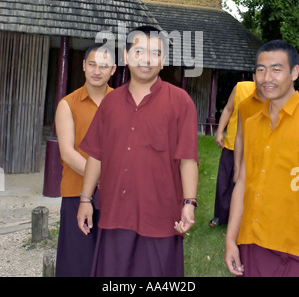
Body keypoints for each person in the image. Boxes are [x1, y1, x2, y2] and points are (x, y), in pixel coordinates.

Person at [77, 25, 199, 277]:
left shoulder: (180, 102)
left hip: (160, 215)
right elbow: (96, 155)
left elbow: (188, 159)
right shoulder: (110, 103)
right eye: (140, 51)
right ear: (125, 57)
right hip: (115, 213)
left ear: (163, 61)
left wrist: (189, 203)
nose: (147, 60)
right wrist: (85, 199)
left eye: (155, 53)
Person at [225, 40, 299, 277]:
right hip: (253, 242)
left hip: (293, 246)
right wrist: (230, 240)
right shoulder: (251, 123)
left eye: (277, 70)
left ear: (294, 72)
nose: (267, 77)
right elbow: (243, 184)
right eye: (260, 70)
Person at [55, 43, 116, 277]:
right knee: (77, 262)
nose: (97, 71)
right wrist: (103, 179)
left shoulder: (124, 103)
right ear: (83, 66)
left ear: (113, 69)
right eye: (92, 64)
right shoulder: (67, 104)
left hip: (116, 195)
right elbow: (68, 154)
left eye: (103, 66)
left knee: (112, 261)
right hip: (76, 192)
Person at [209, 81, 255, 227]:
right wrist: (219, 132)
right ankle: (220, 217)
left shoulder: (274, 91)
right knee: (225, 181)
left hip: (255, 146)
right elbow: (228, 109)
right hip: (232, 142)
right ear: (254, 75)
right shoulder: (241, 87)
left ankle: (245, 220)